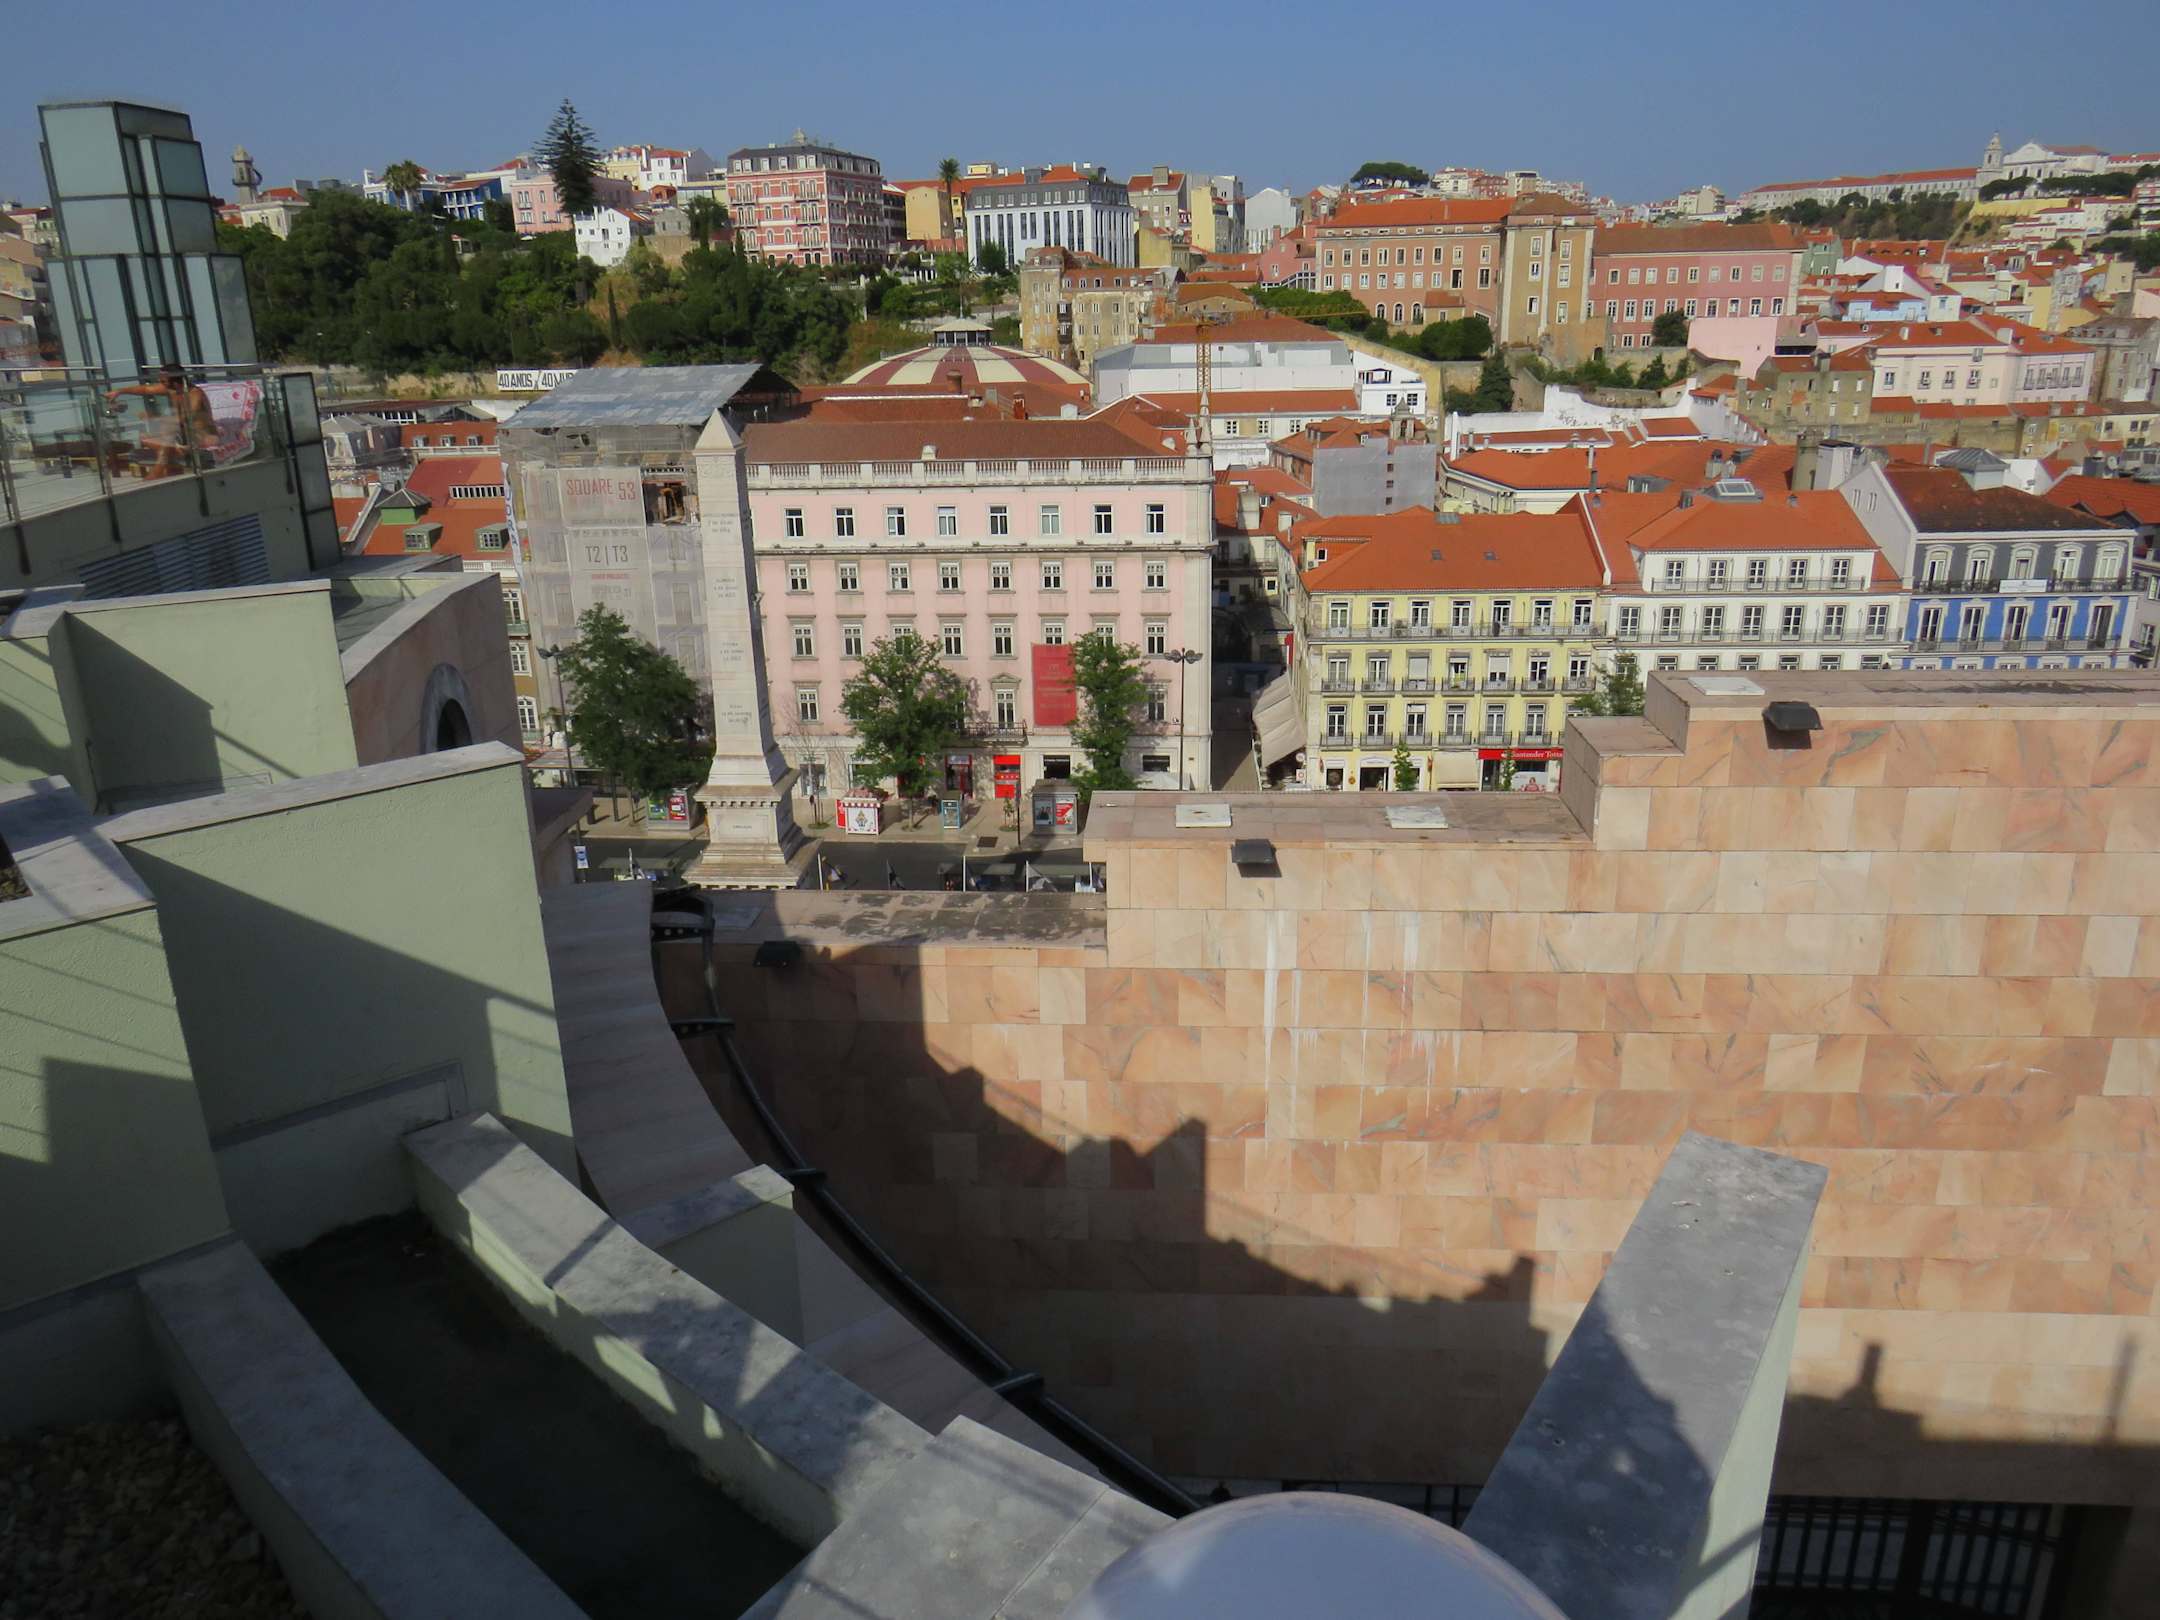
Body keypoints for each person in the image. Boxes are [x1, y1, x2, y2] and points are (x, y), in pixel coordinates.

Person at [105, 364, 217, 479]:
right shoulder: (172, 390)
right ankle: (172, 465)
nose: (159, 382)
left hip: (201, 436)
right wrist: (119, 391)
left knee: (165, 441)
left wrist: (153, 417)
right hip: (181, 436)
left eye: (163, 381)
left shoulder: (195, 394)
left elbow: (185, 418)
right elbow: (146, 389)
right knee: (146, 439)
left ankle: (157, 473)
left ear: (175, 383)